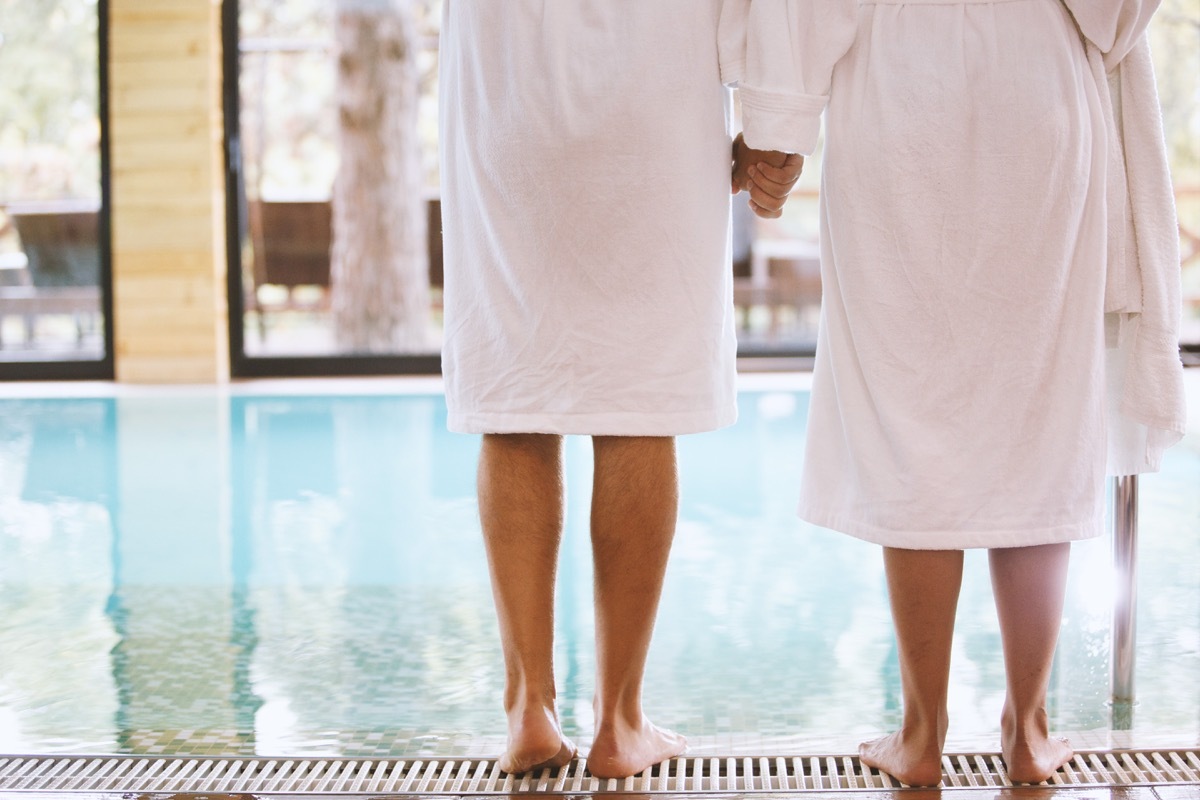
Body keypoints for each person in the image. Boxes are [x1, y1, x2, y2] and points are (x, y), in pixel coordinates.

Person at [736, 0, 1185, 787]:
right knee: (1040, 417)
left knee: (915, 418)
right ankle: (1030, 729)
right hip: (1038, 94)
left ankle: (921, 737)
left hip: (898, 93)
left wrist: (777, 131)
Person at [438, 1, 803, 779]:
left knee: (517, 397)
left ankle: (529, 708)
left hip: (506, 97)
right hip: (656, 96)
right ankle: (618, 721)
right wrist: (774, 124)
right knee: (641, 397)